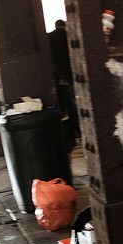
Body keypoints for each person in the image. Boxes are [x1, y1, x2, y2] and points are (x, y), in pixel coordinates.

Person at [48, 19, 81, 148]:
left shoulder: (50, 37)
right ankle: (77, 128)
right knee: (74, 102)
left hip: (57, 77)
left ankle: (71, 130)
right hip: (70, 74)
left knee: (65, 104)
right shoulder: (69, 36)